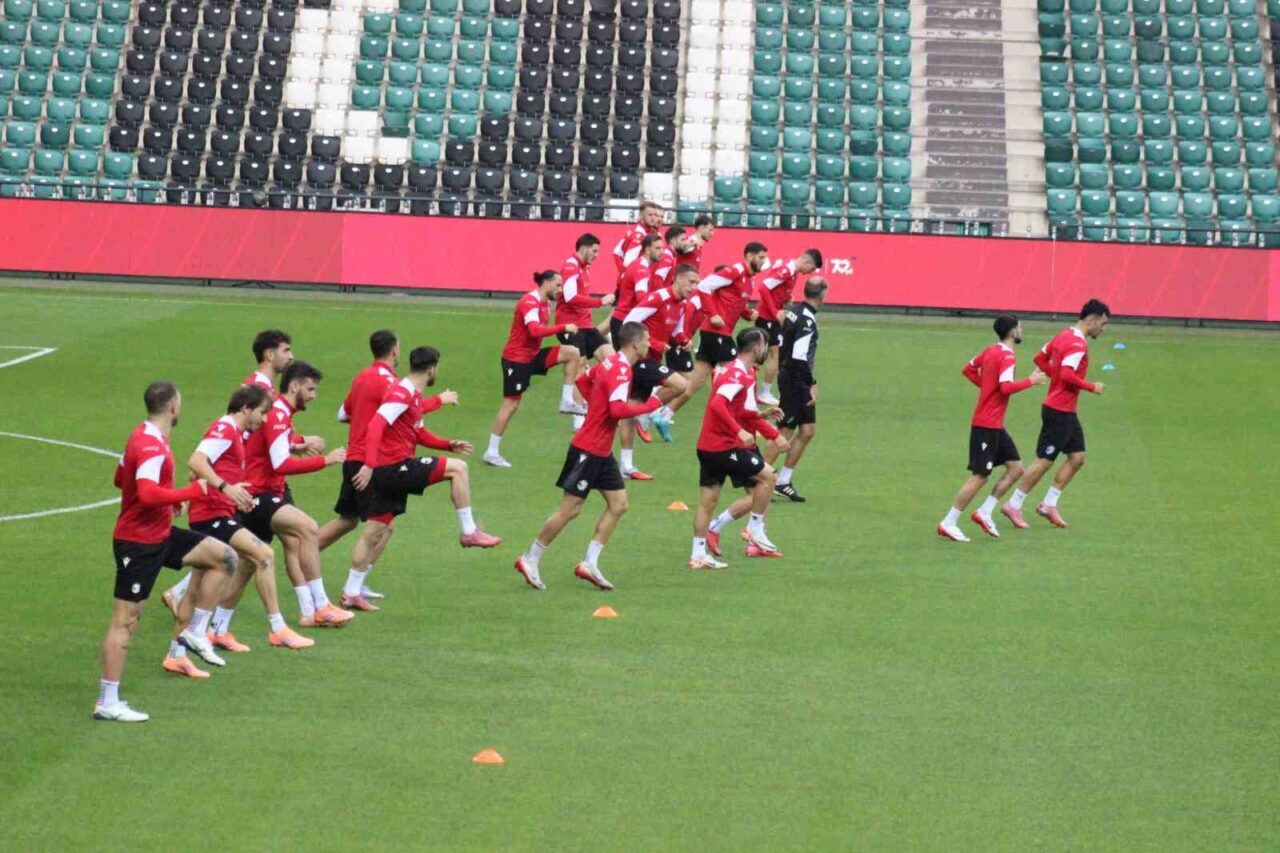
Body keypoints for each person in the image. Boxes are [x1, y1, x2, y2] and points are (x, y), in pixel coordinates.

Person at [96, 381, 238, 721]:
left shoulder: (144, 436)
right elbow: (145, 494)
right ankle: (107, 702)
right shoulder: (150, 445)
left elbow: (121, 479)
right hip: (138, 544)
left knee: (224, 557)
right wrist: (187, 494)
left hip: (159, 534)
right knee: (126, 620)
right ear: (173, 406)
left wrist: (167, 501)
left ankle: (195, 631)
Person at [513, 322, 677, 591]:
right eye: (647, 340)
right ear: (635, 343)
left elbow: (583, 381)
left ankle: (589, 563)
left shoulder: (609, 363)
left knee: (619, 504)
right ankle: (530, 558)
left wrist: (596, 408)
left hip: (600, 450)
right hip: (588, 449)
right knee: (570, 509)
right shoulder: (622, 371)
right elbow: (617, 411)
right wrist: (652, 404)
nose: (650, 344)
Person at [321, 329, 458, 604]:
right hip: (371, 461)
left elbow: (342, 414)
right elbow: (407, 410)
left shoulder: (362, 376)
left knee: (349, 520)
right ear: (395, 350)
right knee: (379, 527)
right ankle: (349, 586)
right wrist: (438, 401)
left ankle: (307, 556)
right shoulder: (392, 383)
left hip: (353, 457)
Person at [349, 347, 501, 583]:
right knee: (458, 468)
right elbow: (376, 424)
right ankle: (469, 531)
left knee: (375, 533)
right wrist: (368, 465)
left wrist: (447, 444)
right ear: (432, 369)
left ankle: (351, 591)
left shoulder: (411, 393)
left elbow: (418, 433)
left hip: (387, 470)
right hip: (394, 468)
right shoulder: (402, 393)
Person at [184, 384, 315, 649]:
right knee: (264, 555)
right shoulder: (225, 429)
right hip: (210, 515)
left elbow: (197, 471)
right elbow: (195, 461)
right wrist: (226, 488)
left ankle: (193, 642)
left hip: (217, 511)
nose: (265, 419)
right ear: (246, 408)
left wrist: (230, 492)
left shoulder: (234, 432)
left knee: (210, 579)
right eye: (262, 413)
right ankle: (277, 628)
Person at [241, 360, 351, 626]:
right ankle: (320, 606)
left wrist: (298, 444)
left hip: (260, 492)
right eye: (310, 389)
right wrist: (325, 460)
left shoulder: (280, 413)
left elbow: (272, 448)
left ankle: (213, 626)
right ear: (294, 386)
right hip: (257, 494)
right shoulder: (278, 414)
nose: (313, 396)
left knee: (241, 565)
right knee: (308, 529)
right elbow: (280, 463)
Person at [936, 315, 1048, 542]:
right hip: (986, 425)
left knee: (1016, 468)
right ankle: (948, 522)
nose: (1022, 330)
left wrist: (987, 389)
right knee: (980, 476)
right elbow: (1005, 387)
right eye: (1020, 327)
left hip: (994, 424)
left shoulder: (990, 350)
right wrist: (1030, 381)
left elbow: (968, 370)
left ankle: (985, 511)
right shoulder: (1007, 356)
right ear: (1013, 331)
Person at [1002, 299, 1110, 529]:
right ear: (1091, 320)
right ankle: (1013, 504)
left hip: (1065, 410)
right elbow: (1068, 374)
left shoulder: (1064, 335)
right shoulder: (1078, 344)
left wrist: (1056, 378)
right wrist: (1092, 386)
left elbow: (1039, 358)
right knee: (1044, 460)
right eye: (1103, 323)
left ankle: (1049, 504)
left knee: (1077, 457)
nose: (1104, 328)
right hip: (1059, 411)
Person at [690, 327, 789, 569]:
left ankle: (698, 555)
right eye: (765, 344)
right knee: (768, 477)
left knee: (708, 502)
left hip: (707, 445)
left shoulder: (736, 370)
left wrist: (762, 418)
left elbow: (738, 410)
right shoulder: (738, 374)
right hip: (723, 446)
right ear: (756, 346)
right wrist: (739, 431)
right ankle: (754, 529)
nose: (767, 350)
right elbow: (717, 404)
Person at [484, 271, 583, 468]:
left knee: (572, 353)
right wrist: (563, 327)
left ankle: (566, 401)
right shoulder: (529, 302)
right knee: (510, 405)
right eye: (557, 285)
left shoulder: (545, 304)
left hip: (533, 356)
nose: (560, 290)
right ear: (546, 282)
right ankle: (491, 451)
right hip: (516, 360)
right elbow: (535, 331)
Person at [666, 242, 769, 418]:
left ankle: (664, 415)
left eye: (764, 258)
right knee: (742, 371)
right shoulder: (735, 271)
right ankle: (747, 418)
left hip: (715, 333)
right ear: (749, 256)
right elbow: (704, 286)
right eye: (761, 257)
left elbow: (734, 302)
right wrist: (712, 314)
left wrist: (747, 313)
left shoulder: (750, 279)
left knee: (695, 383)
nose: (763, 261)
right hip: (717, 333)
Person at [764, 277, 830, 503]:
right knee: (784, 431)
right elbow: (799, 357)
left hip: (792, 375)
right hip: (796, 379)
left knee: (808, 430)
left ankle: (783, 481)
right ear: (823, 294)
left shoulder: (795, 311)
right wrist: (811, 383)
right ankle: (757, 479)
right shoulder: (806, 320)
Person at [623, 262, 702, 443]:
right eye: (691, 282)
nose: (694, 288)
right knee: (681, 384)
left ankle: (626, 459)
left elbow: (676, 332)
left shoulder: (682, 304)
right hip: (639, 359)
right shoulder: (658, 298)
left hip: (654, 359)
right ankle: (646, 413)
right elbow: (629, 323)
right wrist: (654, 343)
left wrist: (684, 340)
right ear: (678, 279)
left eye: (697, 283)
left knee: (630, 412)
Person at [611, 232, 665, 459]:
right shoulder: (642, 270)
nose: (661, 252)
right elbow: (643, 299)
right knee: (630, 380)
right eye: (658, 248)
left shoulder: (639, 266)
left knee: (628, 376)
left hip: (625, 322)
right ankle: (640, 412)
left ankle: (638, 412)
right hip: (628, 325)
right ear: (647, 248)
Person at [557, 233, 615, 428]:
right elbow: (570, 297)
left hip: (586, 325)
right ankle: (578, 417)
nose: (597, 255)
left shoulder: (584, 268)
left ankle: (593, 387)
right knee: (579, 364)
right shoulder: (571, 266)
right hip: (570, 326)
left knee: (612, 361)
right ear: (584, 248)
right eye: (595, 251)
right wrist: (599, 302)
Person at [754, 249, 823, 406]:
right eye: (811, 269)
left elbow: (776, 289)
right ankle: (763, 392)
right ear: (807, 262)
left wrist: (786, 298)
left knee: (768, 354)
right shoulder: (787, 270)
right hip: (767, 317)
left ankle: (756, 391)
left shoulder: (792, 272)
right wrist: (775, 311)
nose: (809, 273)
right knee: (772, 354)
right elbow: (763, 288)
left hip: (771, 317)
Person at [611, 200, 664, 279]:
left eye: (655, 215)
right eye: (650, 215)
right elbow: (629, 262)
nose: (653, 218)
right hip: (635, 278)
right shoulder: (638, 234)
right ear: (641, 215)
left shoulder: (650, 232)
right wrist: (628, 277)